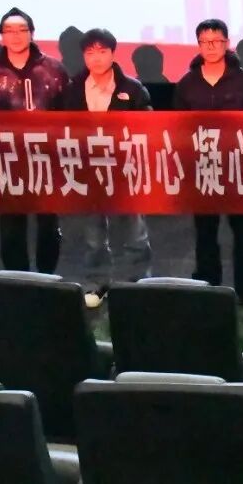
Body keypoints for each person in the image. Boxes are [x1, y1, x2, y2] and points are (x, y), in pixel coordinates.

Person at [60, 28, 153, 307]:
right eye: (90, 52)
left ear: (113, 53)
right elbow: (63, 129)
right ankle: (96, 283)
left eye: (102, 51)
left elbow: (149, 128)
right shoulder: (73, 90)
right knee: (93, 234)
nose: (97, 58)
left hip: (125, 170)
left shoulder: (133, 89)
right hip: (89, 170)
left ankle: (138, 283)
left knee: (134, 232)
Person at [174, 19, 243, 301]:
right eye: (205, 42)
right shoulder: (187, 83)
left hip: (237, 166)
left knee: (242, 229)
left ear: (227, 43)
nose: (211, 47)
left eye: (216, 41)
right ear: (198, 45)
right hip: (201, 167)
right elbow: (177, 126)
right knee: (205, 230)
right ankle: (208, 283)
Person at [0, 7, 70, 273]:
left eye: (22, 30)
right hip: (8, 160)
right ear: (1, 36)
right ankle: (17, 279)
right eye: (9, 30)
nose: (16, 35)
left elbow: (68, 114)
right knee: (10, 225)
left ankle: (46, 277)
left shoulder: (53, 69)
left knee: (48, 225)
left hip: (47, 158)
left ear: (32, 33)